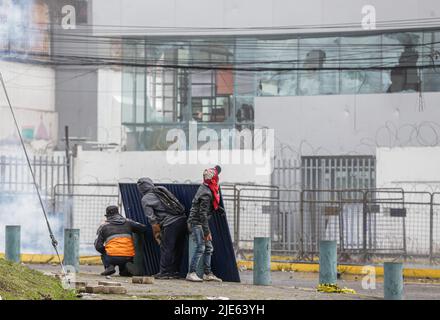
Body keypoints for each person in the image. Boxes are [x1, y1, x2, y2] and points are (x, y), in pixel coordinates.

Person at [137, 177, 187, 279]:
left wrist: (157, 234)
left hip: (170, 223)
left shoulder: (146, 198)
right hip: (182, 220)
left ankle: (165, 272)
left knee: (166, 248)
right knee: (177, 248)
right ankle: (175, 272)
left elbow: (152, 220)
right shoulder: (161, 189)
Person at [186, 165, 224, 282]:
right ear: (214, 179)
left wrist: (220, 210)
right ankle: (191, 273)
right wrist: (206, 232)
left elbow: (207, 207)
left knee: (208, 248)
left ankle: (207, 273)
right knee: (201, 247)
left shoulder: (206, 187)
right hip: (197, 223)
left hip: (198, 222)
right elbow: (202, 214)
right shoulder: (207, 192)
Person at [94, 205, 148, 276]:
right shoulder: (128, 222)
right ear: (118, 213)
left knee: (105, 252)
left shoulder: (103, 226)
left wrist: (105, 251)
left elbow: (98, 246)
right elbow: (143, 228)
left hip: (111, 257)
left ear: (107, 216)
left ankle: (109, 266)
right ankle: (124, 270)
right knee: (124, 255)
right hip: (128, 256)